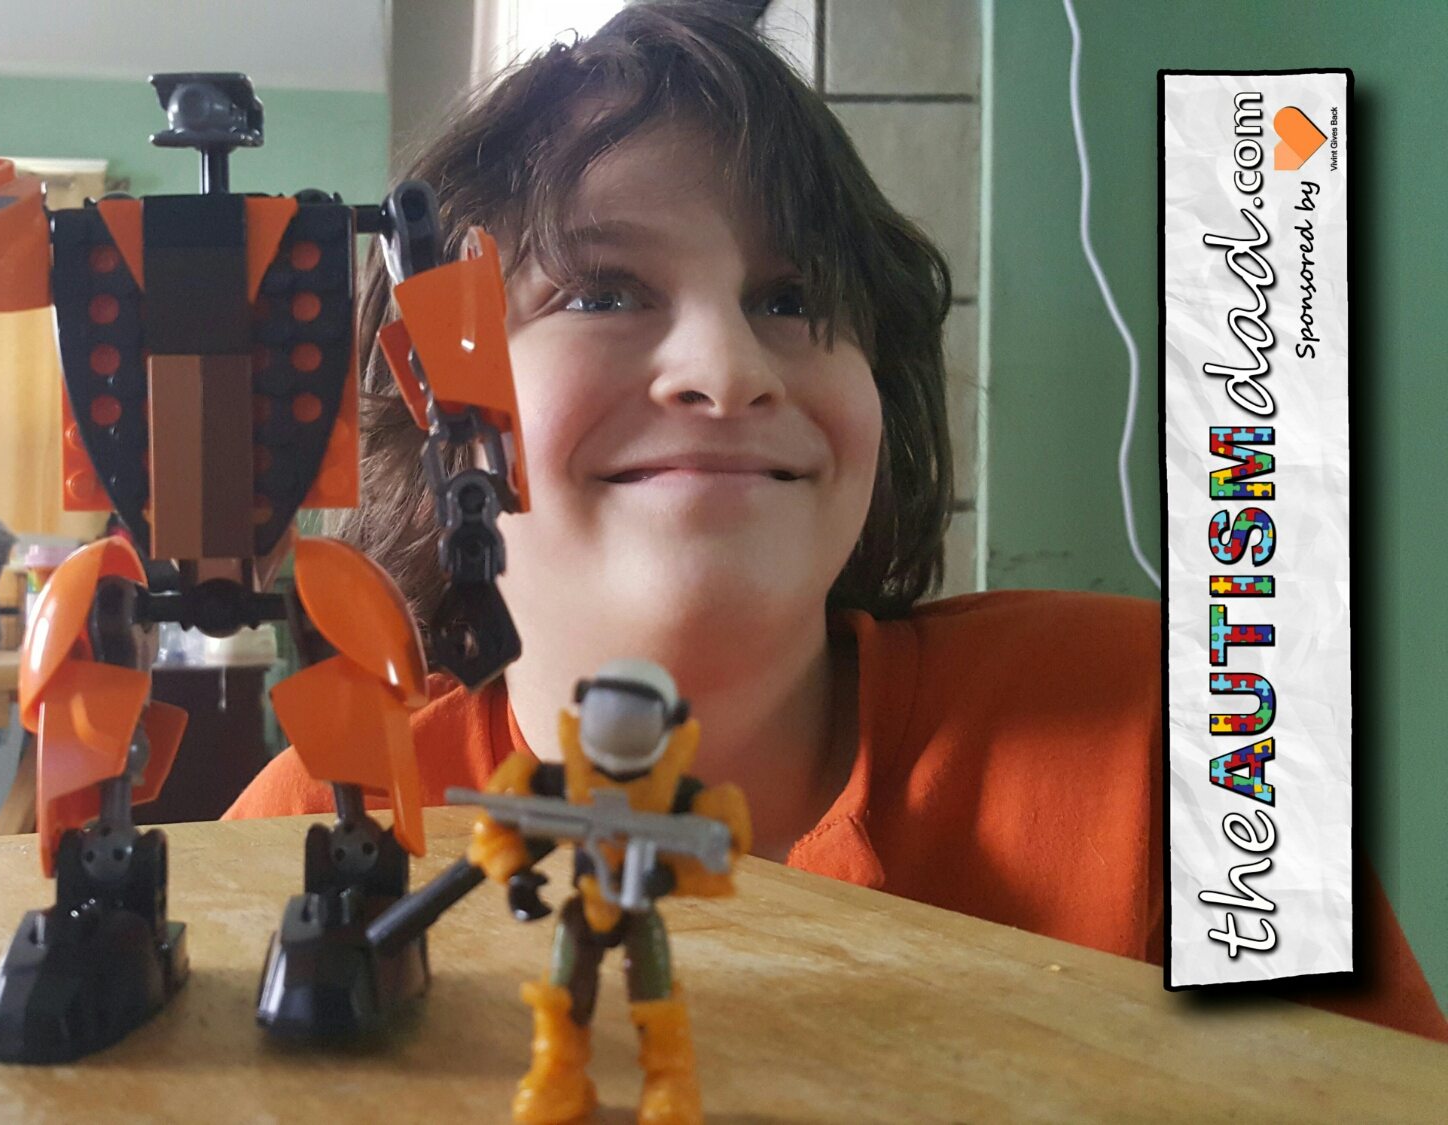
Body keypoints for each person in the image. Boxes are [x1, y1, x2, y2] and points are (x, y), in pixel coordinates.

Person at [222, 0, 1448, 1055]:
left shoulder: (1186, 720)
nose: (726, 369)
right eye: (599, 292)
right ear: (430, 392)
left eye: (791, 298)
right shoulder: (319, 818)